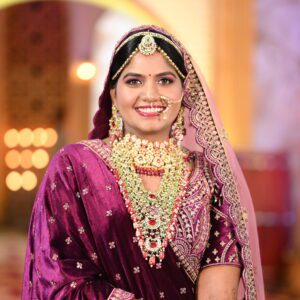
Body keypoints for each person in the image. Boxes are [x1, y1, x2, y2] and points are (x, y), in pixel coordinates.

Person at [22, 25, 265, 299]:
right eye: (134, 81)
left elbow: (220, 278)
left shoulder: (210, 174)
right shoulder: (73, 166)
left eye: (165, 80)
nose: (150, 94)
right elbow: (57, 274)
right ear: (113, 93)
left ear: (184, 91)